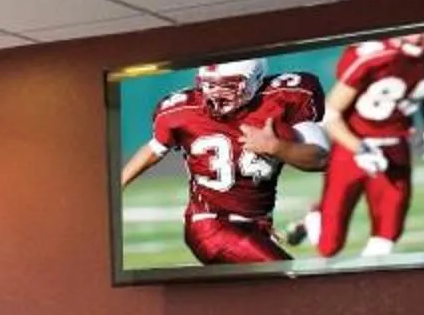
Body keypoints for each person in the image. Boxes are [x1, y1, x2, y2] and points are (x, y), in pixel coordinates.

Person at [118, 60, 329, 266]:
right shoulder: (179, 110)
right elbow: (154, 149)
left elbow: (320, 158)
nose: (215, 95)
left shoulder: (286, 98)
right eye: (209, 85)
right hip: (210, 225)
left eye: (227, 86)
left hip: (256, 225)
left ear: (254, 81)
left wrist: (275, 147)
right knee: (289, 277)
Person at [293, 30, 424, 259]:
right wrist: (360, 149)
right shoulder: (372, 57)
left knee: (386, 237)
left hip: (396, 146)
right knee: (329, 247)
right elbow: (330, 112)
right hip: (353, 147)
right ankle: (315, 217)